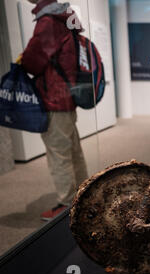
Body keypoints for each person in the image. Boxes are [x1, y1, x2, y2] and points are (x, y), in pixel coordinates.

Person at [19, 0, 88, 220]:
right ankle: (84, 196)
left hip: (54, 96)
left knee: (58, 154)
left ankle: (66, 206)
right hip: (68, 94)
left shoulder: (48, 21)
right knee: (72, 150)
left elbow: (33, 60)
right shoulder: (67, 16)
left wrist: (22, 60)